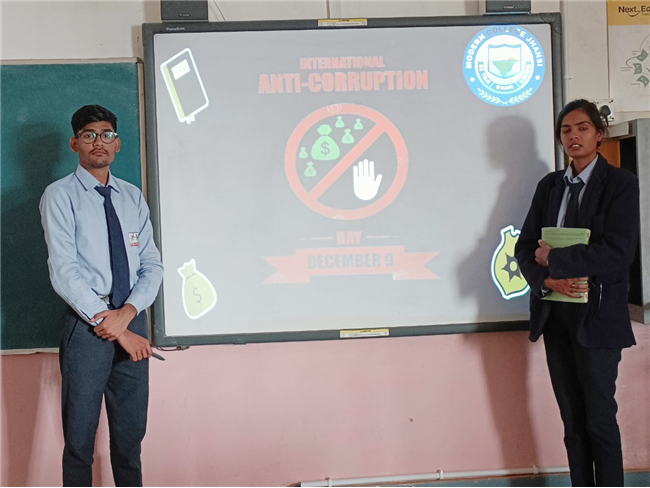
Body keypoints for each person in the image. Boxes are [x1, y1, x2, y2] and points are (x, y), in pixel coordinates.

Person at [514, 99, 639, 487]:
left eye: (582, 128)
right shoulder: (550, 186)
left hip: (598, 318)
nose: (573, 136)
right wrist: (546, 280)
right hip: (556, 317)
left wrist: (556, 260)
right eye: (566, 130)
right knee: (572, 423)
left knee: (599, 420)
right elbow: (525, 248)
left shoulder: (620, 184)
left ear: (599, 134)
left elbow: (619, 251)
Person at [40, 105, 164, 487]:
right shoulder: (59, 196)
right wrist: (112, 324)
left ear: (118, 144)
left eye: (107, 134)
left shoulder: (131, 197)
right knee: (79, 443)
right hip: (87, 327)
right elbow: (64, 271)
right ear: (75, 143)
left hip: (132, 320)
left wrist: (127, 315)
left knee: (129, 442)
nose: (99, 142)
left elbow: (152, 265)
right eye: (89, 135)